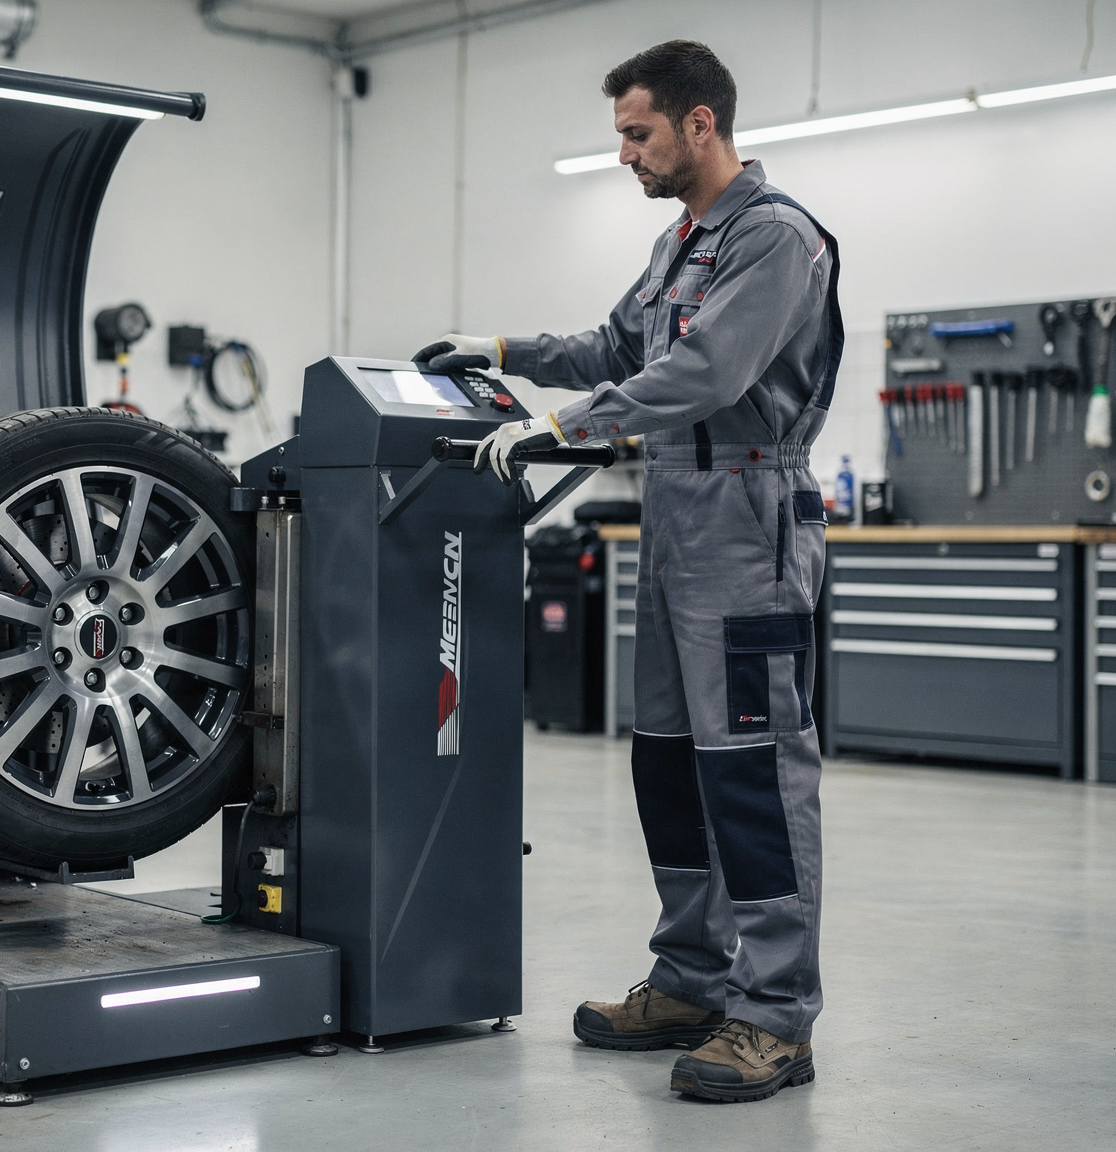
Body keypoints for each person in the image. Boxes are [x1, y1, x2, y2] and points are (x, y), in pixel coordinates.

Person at [414, 39, 841, 1104]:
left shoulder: (775, 239)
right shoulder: (677, 244)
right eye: (618, 134)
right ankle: (693, 979)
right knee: (666, 760)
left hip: (747, 517)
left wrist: (563, 426)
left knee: (751, 771)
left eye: (635, 131)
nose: (623, 153)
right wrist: (500, 349)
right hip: (671, 519)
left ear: (701, 124)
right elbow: (617, 345)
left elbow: (702, 373)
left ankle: (775, 1015)